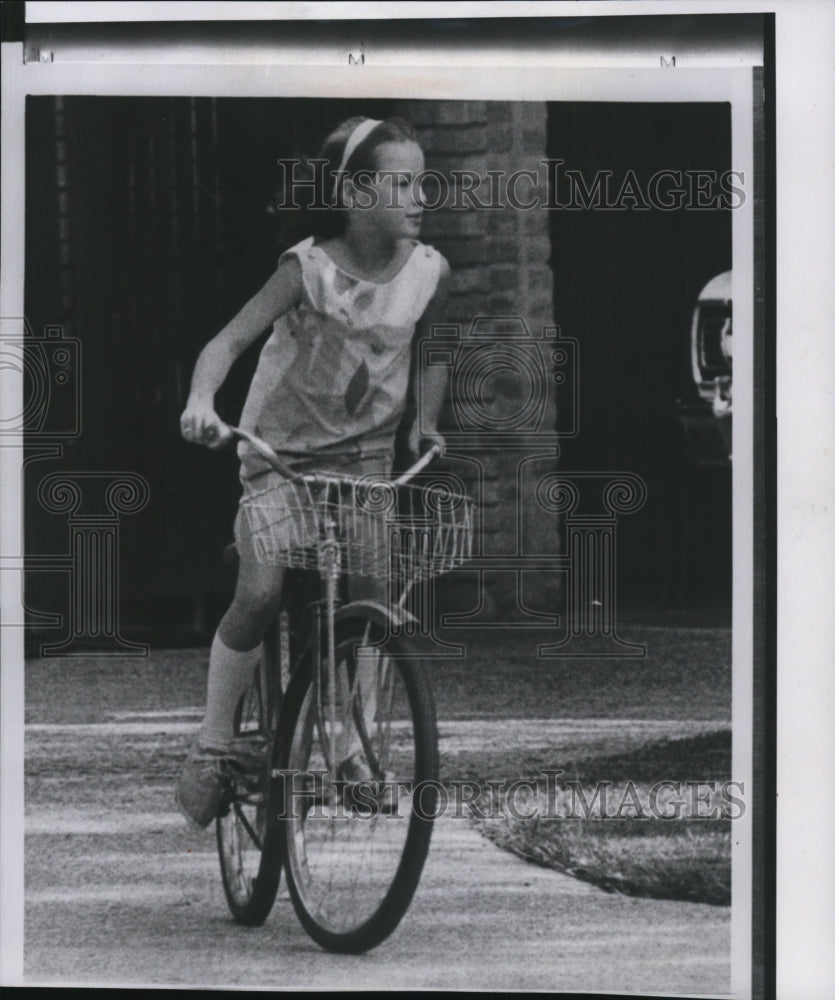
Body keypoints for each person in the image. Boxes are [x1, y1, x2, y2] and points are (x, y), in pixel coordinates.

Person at [176, 116, 450, 829]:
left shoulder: (427, 272)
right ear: (356, 193)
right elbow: (225, 342)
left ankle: (352, 746)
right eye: (400, 182)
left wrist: (424, 418)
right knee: (261, 590)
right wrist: (203, 401)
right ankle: (212, 743)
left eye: (422, 180)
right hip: (281, 463)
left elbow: (434, 346)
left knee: (373, 599)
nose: (419, 195)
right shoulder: (308, 269)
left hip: (362, 466)